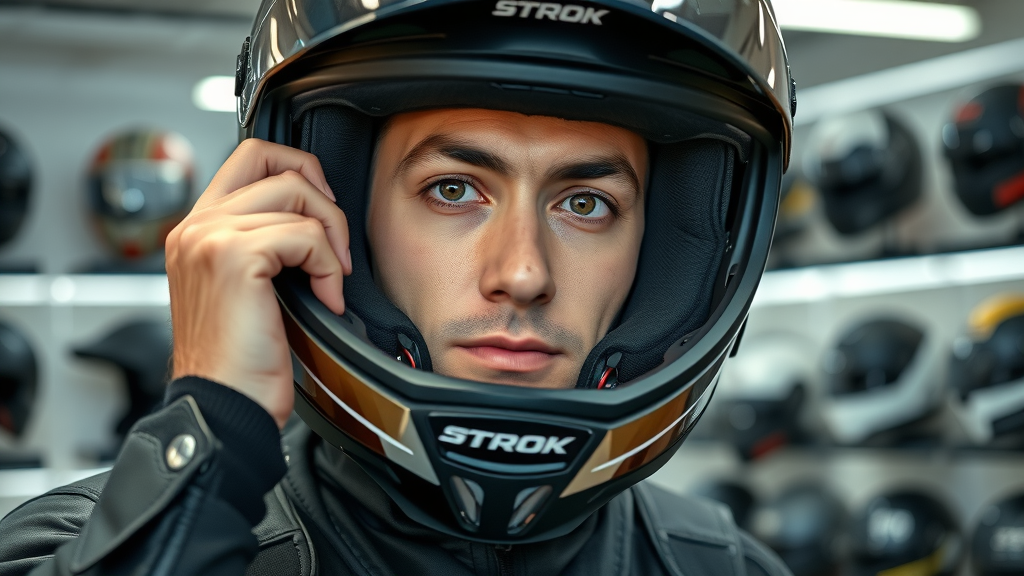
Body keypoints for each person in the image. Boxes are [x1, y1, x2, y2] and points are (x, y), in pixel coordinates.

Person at [0, 0, 796, 574]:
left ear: (665, 255)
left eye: (585, 204)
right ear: (334, 216)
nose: (521, 273)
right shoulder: (78, 541)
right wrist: (208, 446)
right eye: (453, 189)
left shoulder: (725, 566)